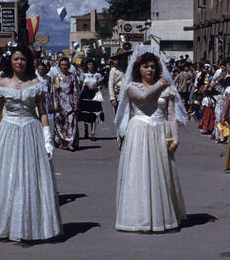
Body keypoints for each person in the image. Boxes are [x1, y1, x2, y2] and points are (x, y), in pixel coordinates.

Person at [0, 43, 62, 241]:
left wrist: (47, 140)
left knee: (29, 176)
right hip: (8, 131)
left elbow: (43, 113)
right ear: (10, 60)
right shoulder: (2, 83)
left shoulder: (36, 82)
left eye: (23, 59)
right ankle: (7, 224)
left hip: (31, 130)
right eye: (16, 59)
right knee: (8, 175)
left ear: (29, 62)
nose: (19, 62)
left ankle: (31, 225)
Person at [114, 46, 187, 232]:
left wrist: (175, 139)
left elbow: (171, 115)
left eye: (153, 67)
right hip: (139, 130)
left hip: (161, 130)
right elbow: (143, 96)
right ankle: (141, 218)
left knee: (161, 173)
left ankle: (163, 216)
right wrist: (160, 84)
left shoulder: (167, 88)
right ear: (139, 69)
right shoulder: (132, 86)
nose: (150, 70)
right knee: (141, 173)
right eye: (146, 66)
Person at [51, 56, 80, 151]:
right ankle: (61, 141)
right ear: (59, 66)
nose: (64, 66)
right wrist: (54, 105)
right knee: (59, 124)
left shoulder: (72, 77)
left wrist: (75, 104)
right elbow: (54, 91)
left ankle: (70, 142)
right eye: (62, 65)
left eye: (66, 65)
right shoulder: (56, 78)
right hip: (59, 103)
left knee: (71, 123)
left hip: (70, 103)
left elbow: (75, 91)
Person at [77, 58, 104, 140]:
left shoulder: (98, 75)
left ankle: (93, 132)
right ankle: (86, 131)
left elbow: (101, 85)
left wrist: (96, 87)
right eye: (89, 65)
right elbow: (80, 84)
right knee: (86, 113)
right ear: (87, 66)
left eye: (92, 65)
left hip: (94, 94)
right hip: (85, 94)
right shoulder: (83, 75)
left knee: (94, 112)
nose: (90, 66)